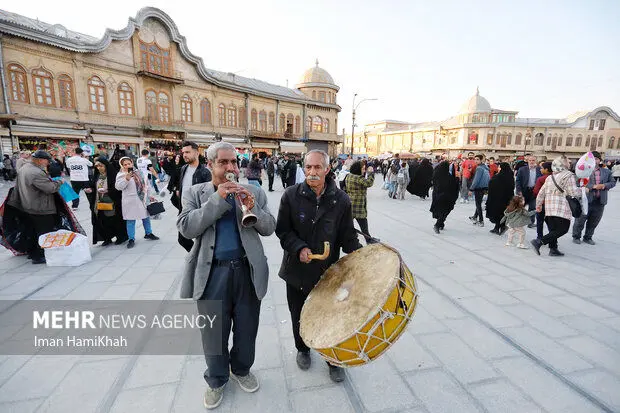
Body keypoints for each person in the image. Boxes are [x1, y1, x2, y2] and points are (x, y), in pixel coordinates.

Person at [176, 142, 275, 409]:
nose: (231, 168)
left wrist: (255, 208)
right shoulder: (196, 192)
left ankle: (241, 369)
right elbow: (186, 228)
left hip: (246, 270)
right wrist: (217, 200)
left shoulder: (253, 190)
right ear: (210, 165)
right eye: (224, 163)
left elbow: (269, 228)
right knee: (213, 333)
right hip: (212, 273)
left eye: (234, 162)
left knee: (246, 328)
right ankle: (217, 379)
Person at [276, 149, 362, 384]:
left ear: (327, 169)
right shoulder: (290, 195)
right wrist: (298, 248)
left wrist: (360, 255)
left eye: (317, 168)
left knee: (331, 317)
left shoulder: (341, 200)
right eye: (308, 168)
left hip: (328, 274)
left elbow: (347, 235)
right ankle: (302, 349)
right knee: (299, 315)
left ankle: (332, 359)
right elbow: (282, 230)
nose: (312, 172)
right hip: (296, 270)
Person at [8, 150, 62, 264]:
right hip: (40, 207)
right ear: (40, 160)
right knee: (44, 232)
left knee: (32, 231)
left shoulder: (25, 167)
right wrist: (59, 182)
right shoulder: (35, 172)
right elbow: (50, 188)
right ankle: (39, 256)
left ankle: (32, 253)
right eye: (47, 161)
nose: (48, 163)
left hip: (28, 205)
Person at [532, 155, 581, 257]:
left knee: (553, 230)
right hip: (561, 208)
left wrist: (538, 205)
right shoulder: (568, 175)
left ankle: (553, 249)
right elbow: (573, 193)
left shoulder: (550, 177)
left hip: (549, 209)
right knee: (563, 229)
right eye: (568, 161)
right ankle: (539, 242)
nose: (570, 163)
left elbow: (541, 193)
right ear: (563, 164)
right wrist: (583, 190)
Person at [171, 141, 212, 252]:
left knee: (203, 238)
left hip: (198, 210)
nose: (184, 155)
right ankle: (197, 255)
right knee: (182, 239)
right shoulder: (183, 169)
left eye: (188, 152)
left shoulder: (205, 172)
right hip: (184, 209)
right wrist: (178, 191)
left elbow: (209, 194)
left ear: (197, 153)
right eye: (183, 152)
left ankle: (202, 260)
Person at [115, 157, 160, 249]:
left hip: (142, 199)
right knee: (130, 220)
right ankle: (131, 238)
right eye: (125, 165)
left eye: (129, 163)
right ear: (122, 166)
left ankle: (148, 233)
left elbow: (146, 185)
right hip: (129, 201)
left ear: (132, 163)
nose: (128, 166)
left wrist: (149, 196)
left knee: (146, 217)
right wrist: (126, 179)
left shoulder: (139, 172)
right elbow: (118, 187)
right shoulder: (120, 174)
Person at [572, 151, 616, 245]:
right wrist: (593, 186)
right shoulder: (583, 170)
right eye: (593, 159)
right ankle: (576, 236)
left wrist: (604, 185)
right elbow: (578, 183)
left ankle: (588, 237)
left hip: (600, 201)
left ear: (599, 160)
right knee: (580, 220)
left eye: (596, 159)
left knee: (594, 221)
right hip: (586, 200)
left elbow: (612, 182)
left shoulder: (606, 171)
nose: (594, 161)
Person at [91, 157, 128, 246]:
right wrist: (90, 190)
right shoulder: (97, 176)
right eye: (97, 166)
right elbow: (94, 187)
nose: (99, 168)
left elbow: (118, 189)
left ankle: (120, 237)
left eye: (101, 166)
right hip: (100, 203)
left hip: (112, 202)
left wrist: (108, 191)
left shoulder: (112, 175)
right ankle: (107, 238)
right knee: (103, 221)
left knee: (115, 220)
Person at [346, 161, 377, 244]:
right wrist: (370, 173)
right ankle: (368, 240)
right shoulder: (358, 178)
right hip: (358, 205)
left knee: (347, 225)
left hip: (349, 203)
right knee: (363, 224)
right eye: (362, 169)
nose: (364, 171)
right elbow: (369, 183)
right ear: (357, 169)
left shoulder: (349, 176)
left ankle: (347, 240)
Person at [430, 161, 459, 233]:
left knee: (440, 211)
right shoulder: (448, 177)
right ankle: (437, 225)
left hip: (437, 196)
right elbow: (453, 185)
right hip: (446, 197)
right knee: (445, 211)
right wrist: (457, 179)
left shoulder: (436, 174)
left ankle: (441, 224)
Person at [486, 162, 514, 235]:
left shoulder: (498, 177)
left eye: (499, 167)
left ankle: (498, 228)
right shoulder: (510, 176)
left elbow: (492, 184)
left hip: (497, 199)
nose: (498, 168)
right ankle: (500, 227)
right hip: (507, 199)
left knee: (497, 213)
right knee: (503, 213)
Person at [515, 155, 542, 228]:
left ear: (536, 161)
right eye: (530, 160)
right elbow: (518, 181)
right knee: (520, 207)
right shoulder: (522, 169)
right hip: (524, 191)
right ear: (528, 161)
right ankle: (516, 221)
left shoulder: (539, 170)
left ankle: (531, 222)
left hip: (534, 192)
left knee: (532, 207)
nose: (531, 162)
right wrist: (519, 191)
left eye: (533, 160)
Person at [468, 154, 490, 227]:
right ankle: (474, 217)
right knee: (479, 203)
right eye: (475, 159)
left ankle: (481, 221)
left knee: (478, 204)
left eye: (477, 159)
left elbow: (476, 180)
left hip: (479, 188)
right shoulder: (485, 167)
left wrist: (471, 189)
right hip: (484, 188)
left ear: (481, 160)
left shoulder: (479, 168)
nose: (476, 161)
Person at [533, 161, 552, 240]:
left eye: (542, 168)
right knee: (551, 224)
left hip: (542, 204)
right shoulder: (556, 178)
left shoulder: (541, 179)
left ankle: (539, 237)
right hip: (551, 204)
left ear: (546, 169)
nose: (540, 170)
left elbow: (536, 192)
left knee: (540, 222)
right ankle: (552, 239)